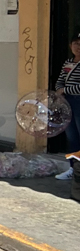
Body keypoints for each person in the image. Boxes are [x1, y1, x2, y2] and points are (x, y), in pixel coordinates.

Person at [54, 33, 80, 180]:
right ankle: (73, 168)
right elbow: (60, 81)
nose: (78, 47)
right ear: (71, 46)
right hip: (67, 102)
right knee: (72, 137)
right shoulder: (68, 63)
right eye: (75, 43)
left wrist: (65, 90)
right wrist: (60, 91)